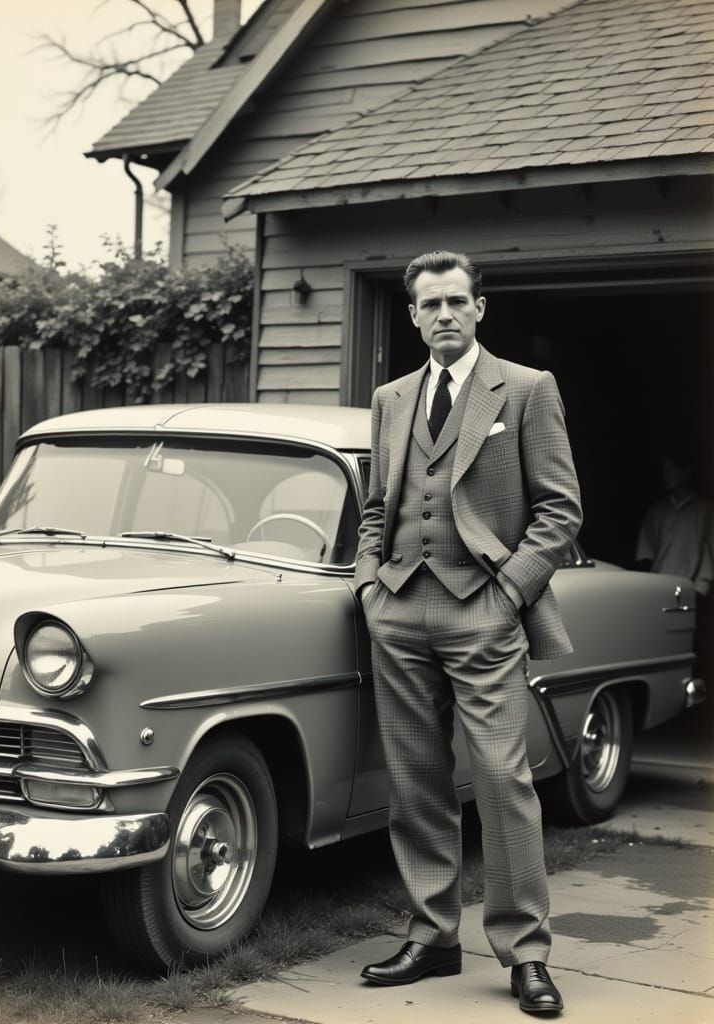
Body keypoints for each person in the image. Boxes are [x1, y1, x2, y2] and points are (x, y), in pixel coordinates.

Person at [355, 250, 582, 1015]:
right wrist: (366, 585)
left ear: (479, 308)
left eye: (457, 301)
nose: (444, 314)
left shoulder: (525, 389)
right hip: (398, 608)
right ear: (413, 315)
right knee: (416, 781)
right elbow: (378, 507)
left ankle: (525, 952)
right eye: (430, 304)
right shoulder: (389, 398)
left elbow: (560, 512)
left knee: (501, 780)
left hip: (483, 610)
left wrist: (509, 591)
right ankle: (432, 936)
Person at [636, 454, 713, 597]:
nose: (666, 476)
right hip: (659, 588)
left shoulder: (705, 510)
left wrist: (701, 587)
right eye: (664, 471)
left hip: (692, 590)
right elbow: (646, 554)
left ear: (686, 472)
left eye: (670, 471)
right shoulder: (657, 510)